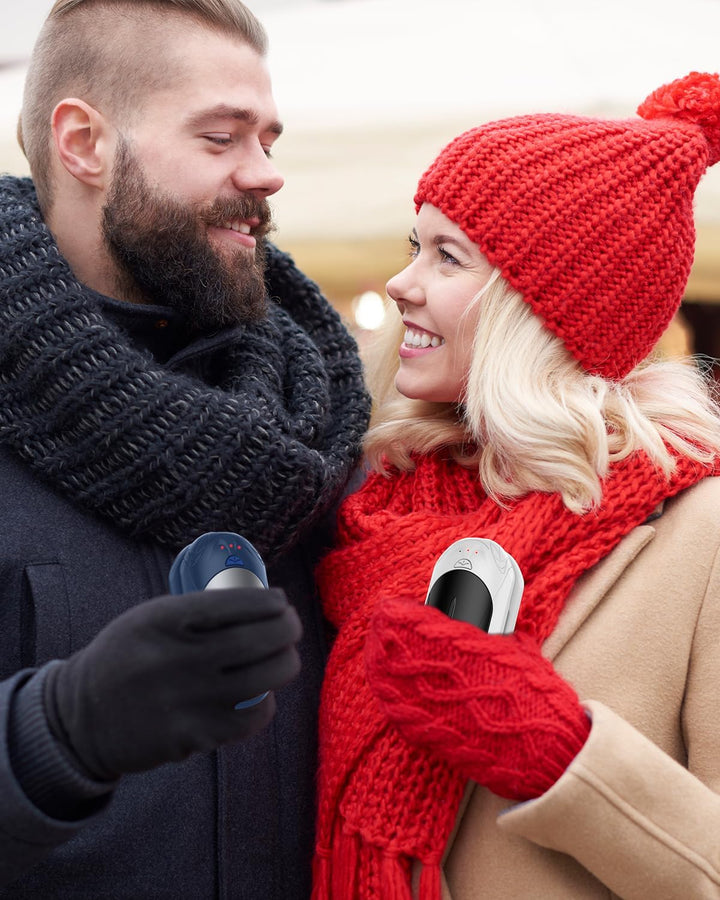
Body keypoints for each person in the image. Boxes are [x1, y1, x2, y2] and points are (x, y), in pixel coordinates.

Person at [311, 71, 720, 899]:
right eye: (411, 246)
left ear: (543, 308)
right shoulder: (372, 505)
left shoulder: (699, 531)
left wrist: (566, 757)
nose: (402, 283)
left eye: (448, 255)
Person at [0, 0, 370, 897]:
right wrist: (55, 734)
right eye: (221, 138)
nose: (266, 174)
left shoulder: (324, 420)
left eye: (269, 141)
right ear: (84, 143)